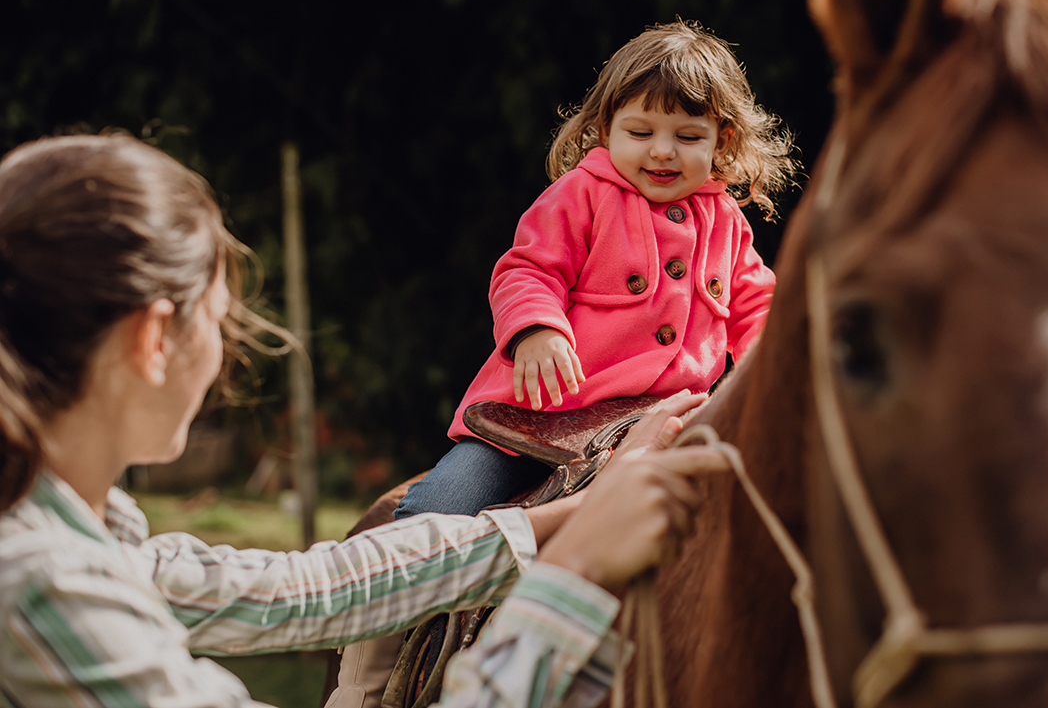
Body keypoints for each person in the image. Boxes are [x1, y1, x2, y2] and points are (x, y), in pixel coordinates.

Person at [0, 134, 728, 708]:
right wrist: (575, 575)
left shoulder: (78, 532)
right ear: (152, 340)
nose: (224, 354)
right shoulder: (38, 580)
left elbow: (302, 590)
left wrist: (563, 521)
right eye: (219, 320)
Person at [393, 20, 795, 520]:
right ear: (606, 130)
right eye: (640, 132)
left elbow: (758, 305)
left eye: (688, 136)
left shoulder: (726, 222)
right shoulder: (582, 195)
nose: (663, 150)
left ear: (722, 139)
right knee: (437, 511)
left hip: (668, 423)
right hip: (540, 421)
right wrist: (537, 330)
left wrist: (770, 369)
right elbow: (528, 270)